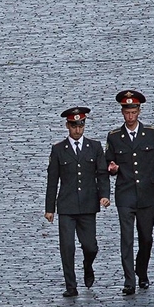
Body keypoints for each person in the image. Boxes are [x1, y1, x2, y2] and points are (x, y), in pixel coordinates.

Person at [105, 89, 154, 295]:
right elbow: (107, 160)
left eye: (133, 112)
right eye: (127, 112)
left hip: (147, 194)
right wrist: (112, 168)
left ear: (139, 111)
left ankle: (142, 271)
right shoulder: (115, 137)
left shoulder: (151, 133)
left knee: (146, 237)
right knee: (126, 239)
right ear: (122, 113)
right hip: (125, 193)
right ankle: (129, 281)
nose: (130, 116)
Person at [45, 106, 111, 297]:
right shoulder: (58, 150)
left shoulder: (95, 147)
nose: (77, 130)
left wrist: (104, 195)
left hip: (88, 205)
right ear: (68, 126)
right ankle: (70, 286)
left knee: (91, 246)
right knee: (67, 247)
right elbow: (52, 180)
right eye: (74, 126)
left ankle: (88, 266)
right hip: (66, 206)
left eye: (80, 125)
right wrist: (50, 208)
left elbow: (102, 174)